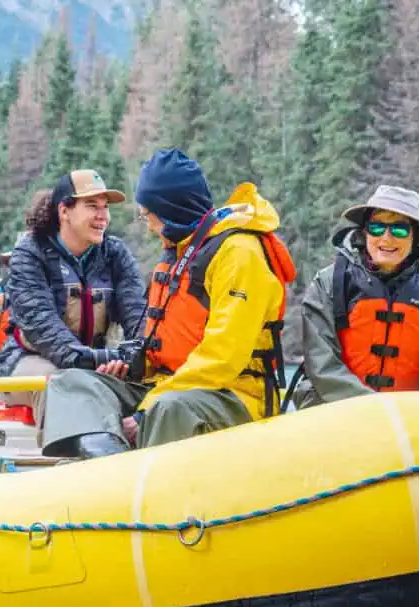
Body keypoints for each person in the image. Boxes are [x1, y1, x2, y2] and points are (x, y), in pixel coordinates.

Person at [41, 147, 296, 459]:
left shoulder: (239, 254)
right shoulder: (180, 250)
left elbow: (223, 359)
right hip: (167, 387)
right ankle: (106, 465)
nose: (148, 225)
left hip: (233, 394)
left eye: (149, 215)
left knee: (166, 409)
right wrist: (134, 364)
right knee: (72, 383)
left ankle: (135, 486)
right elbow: (167, 339)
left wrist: (145, 409)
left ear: (170, 209)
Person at [292, 184, 419, 409]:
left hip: (406, 416)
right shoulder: (329, 282)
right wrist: (375, 408)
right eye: (377, 227)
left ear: (414, 237)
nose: (387, 238)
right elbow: (321, 364)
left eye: (399, 229)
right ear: (364, 232)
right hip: (335, 410)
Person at [0, 171, 145, 430]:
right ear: (64, 211)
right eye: (91, 206)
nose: (102, 216)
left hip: (92, 362)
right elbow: (43, 327)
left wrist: (132, 357)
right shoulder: (29, 254)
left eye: (105, 208)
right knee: (64, 385)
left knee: (145, 383)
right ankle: (72, 459)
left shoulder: (115, 253)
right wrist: (97, 360)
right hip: (27, 361)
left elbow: (138, 314)